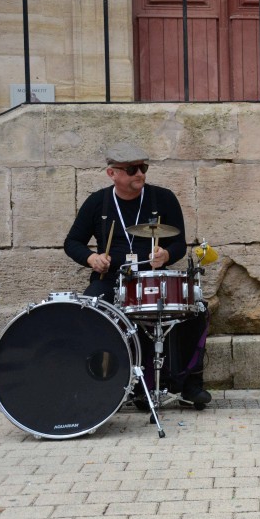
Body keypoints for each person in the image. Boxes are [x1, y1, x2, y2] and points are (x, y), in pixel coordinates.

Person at [64, 142, 211, 408]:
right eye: (132, 169)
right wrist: (92, 258)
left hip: (153, 278)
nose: (140, 174)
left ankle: (190, 384)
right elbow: (72, 242)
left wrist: (166, 255)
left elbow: (179, 243)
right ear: (112, 174)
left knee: (196, 309)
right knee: (87, 312)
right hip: (111, 279)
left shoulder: (162, 198)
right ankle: (105, 384)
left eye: (143, 167)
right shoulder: (98, 202)